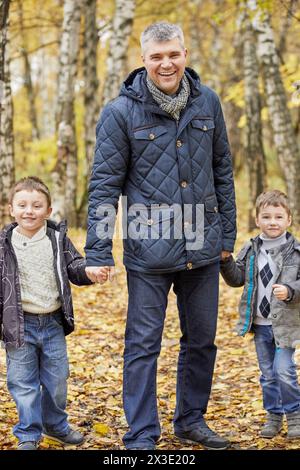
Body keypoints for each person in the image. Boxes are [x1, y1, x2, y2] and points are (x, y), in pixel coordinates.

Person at [85, 22, 236, 450]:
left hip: (203, 247)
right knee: (142, 346)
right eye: (156, 56)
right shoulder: (119, 113)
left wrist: (228, 233)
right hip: (148, 251)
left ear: (185, 53)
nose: (166, 63)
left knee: (202, 341)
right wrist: (98, 249)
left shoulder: (208, 102)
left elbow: (222, 170)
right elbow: (103, 185)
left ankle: (191, 420)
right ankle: (142, 434)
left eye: (173, 54)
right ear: (143, 59)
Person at [0, 176, 93, 450]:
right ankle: (28, 433)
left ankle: (55, 425)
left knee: (57, 379)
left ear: (48, 211)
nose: (29, 211)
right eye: (23, 205)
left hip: (52, 321)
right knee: (23, 383)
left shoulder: (56, 238)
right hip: (18, 324)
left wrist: (89, 271)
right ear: (11, 209)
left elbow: (74, 266)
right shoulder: (3, 244)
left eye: (37, 205)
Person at [221, 190, 300, 439]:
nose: (272, 222)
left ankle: (295, 416)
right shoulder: (251, 248)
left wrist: (289, 291)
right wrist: (224, 261)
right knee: (268, 374)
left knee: (284, 370)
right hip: (260, 324)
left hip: (285, 325)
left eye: (278, 216)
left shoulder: (296, 251)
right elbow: (236, 279)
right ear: (257, 220)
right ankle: (274, 416)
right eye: (266, 216)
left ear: (289, 219)